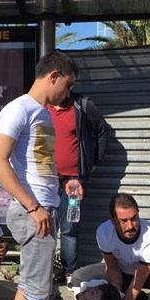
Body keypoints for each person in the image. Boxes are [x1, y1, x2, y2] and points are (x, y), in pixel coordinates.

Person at [0, 50, 77, 300]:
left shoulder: (39, 112)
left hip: (40, 207)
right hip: (33, 212)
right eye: (67, 86)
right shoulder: (19, 109)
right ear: (53, 76)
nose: (67, 94)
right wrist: (34, 206)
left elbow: (37, 166)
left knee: (27, 286)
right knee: (38, 292)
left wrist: (60, 186)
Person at [48, 91, 109, 287]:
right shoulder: (42, 106)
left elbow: (101, 131)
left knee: (70, 228)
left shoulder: (82, 106)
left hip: (74, 184)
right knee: (44, 228)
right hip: (45, 181)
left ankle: (69, 272)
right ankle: (44, 271)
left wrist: (94, 163)